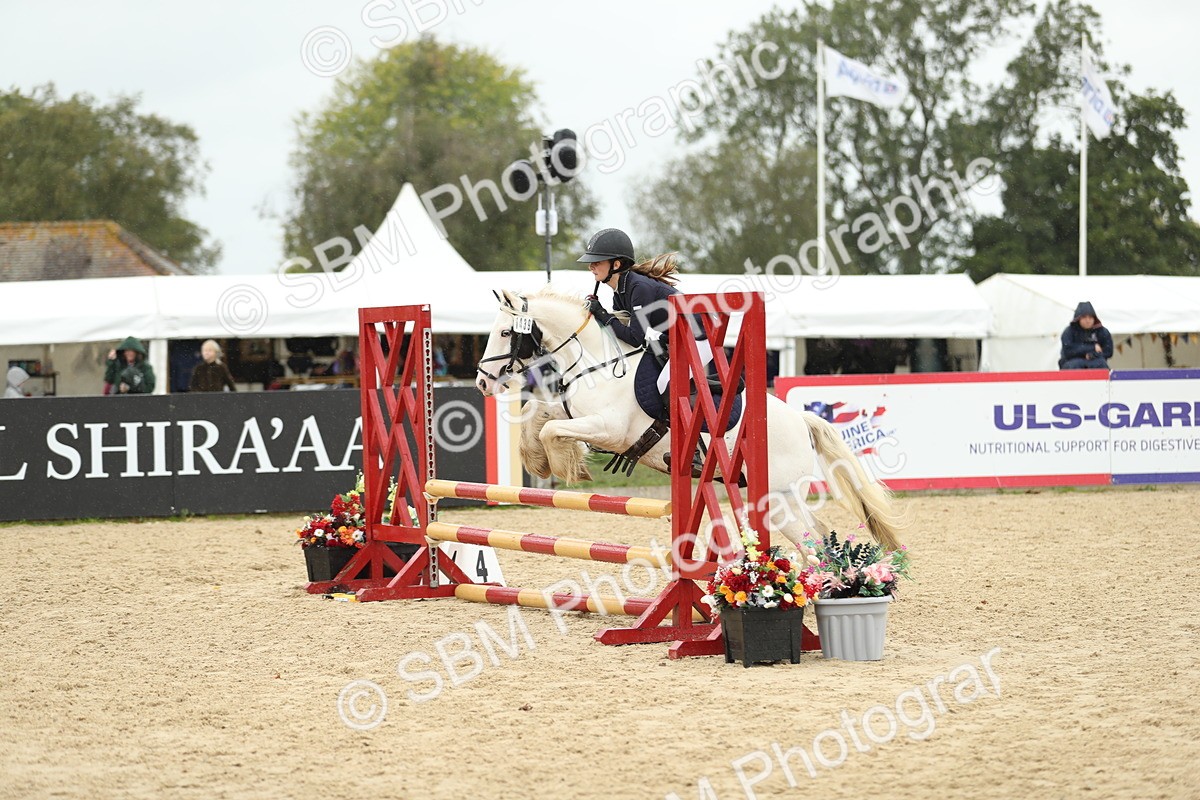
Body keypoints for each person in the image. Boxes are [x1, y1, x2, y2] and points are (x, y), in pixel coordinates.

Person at [579, 227, 713, 475]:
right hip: (670, 340)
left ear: (616, 264)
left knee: (666, 384)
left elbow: (636, 336)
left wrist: (604, 317)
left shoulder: (638, 287)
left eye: (597, 262)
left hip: (696, 339)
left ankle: (694, 449)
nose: (591, 267)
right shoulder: (620, 291)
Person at [1059, 301, 1113, 370]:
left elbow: (1108, 351)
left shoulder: (1102, 332)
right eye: (1084, 317)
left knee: (1102, 364)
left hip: (1096, 363)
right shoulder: (1069, 332)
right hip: (1073, 364)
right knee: (1071, 366)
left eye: (1090, 317)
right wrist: (1092, 348)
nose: (1088, 320)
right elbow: (1068, 351)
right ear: (1078, 318)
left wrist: (1092, 355)